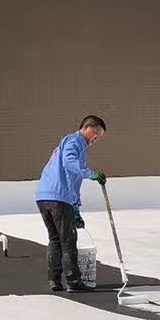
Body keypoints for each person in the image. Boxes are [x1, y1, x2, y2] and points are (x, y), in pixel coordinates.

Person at [35, 115, 106, 292]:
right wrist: (91, 174)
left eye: (100, 136)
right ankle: (74, 282)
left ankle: (54, 280)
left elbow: (71, 181)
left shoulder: (69, 143)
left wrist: (75, 210)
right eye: (96, 133)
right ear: (86, 127)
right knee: (68, 241)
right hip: (58, 198)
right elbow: (69, 162)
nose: (97, 138)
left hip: (44, 196)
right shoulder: (75, 141)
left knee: (55, 239)